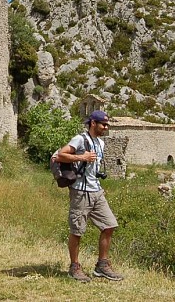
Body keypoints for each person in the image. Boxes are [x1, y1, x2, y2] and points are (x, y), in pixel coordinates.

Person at [56, 110, 124, 282]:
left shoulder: (100, 143)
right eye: (104, 124)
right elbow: (59, 155)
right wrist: (81, 156)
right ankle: (74, 267)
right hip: (80, 191)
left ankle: (102, 266)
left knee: (109, 225)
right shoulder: (80, 139)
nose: (106, 127)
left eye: (107, 124)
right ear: (93, 123)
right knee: (77, 231)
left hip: (96, 191)